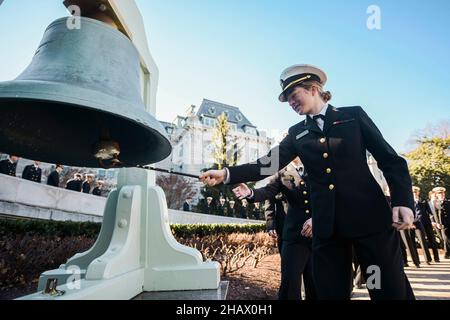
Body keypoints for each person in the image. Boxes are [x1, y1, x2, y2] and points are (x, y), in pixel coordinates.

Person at [200, 64, 415, 300]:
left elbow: (390, 160)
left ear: (314, 88)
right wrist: (227, 174)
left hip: (370, 221)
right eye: (287, 100)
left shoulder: (352, 116)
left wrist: (403, 201)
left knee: (388, 291)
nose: (291, 103)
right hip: (328, 229)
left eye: (294, 96)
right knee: (329, 294)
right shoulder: (296, 133)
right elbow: (267, 164)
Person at [233, 157, 316, 300]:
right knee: (290, 284)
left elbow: (328, 194)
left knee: (316, 284)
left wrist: (318, 218)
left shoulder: (315, 163)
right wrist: (250, 193)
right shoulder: (281, 172)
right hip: (294, 237)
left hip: (319, 236)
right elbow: (267, 192)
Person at [434, 187, 450, 259]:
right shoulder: (435, 203)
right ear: (437, 194)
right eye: (440, 193)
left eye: (443, 193)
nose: (442, 194)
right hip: (442, 223)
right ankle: (447, 253)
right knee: (445, 238)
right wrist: (437, 223)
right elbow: (434, 214)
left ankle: (447, 253)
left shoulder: (448, 201)